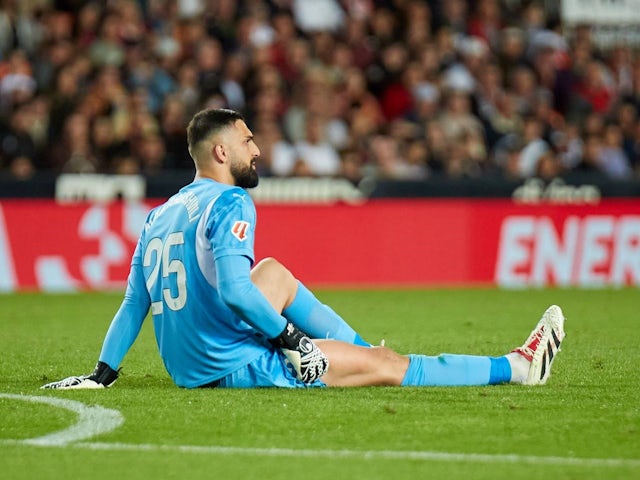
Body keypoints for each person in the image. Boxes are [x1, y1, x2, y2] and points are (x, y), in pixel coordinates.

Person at [42, 108, 566, 391]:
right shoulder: (231, 204)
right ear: (222, 152)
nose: (258, 149)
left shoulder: (161, 213)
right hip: (230, 366)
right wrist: (296, 340)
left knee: (275, 273)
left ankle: (356, 348)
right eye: (248, 141)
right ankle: (519, 368)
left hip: (190, 360)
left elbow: (135, 305)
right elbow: (233, 290)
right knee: (392, 366)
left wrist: (102, 374)